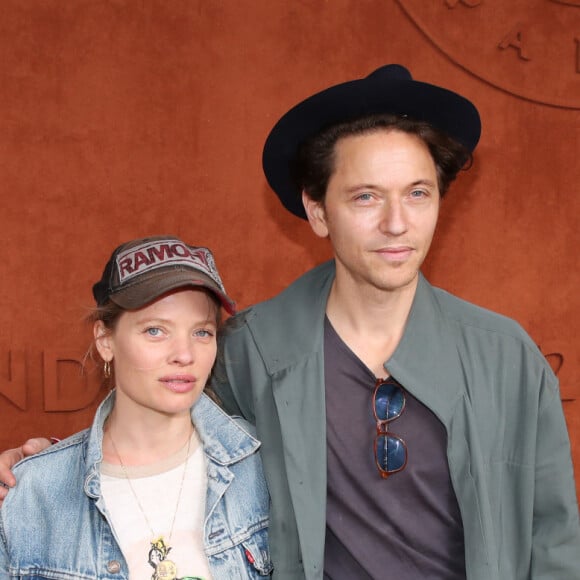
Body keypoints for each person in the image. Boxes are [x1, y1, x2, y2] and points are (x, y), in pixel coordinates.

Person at [1, 65, 579, 579]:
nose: (397, 224)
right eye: (366, 198)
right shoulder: (251, 351)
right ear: (317, 210)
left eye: (418, 193)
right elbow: (165, 443)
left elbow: (555, 541)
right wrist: (45, 471)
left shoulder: (505, 355)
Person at [0, 236, 272, 579]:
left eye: (201, 332)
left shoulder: (262, 461)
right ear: (106, 341)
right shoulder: (34, 494)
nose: (185, 355)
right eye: (156, 330)